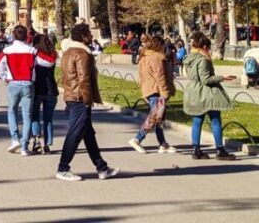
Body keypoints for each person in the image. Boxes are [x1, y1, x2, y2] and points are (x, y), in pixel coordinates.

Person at [55, 23, 119, 181]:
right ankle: (63, 168)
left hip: (72, 96)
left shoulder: (68, 52)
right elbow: (84, 79)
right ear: (83, 36)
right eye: (89, 34)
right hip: (80, 98)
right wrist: (88, 101)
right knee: (75, 134)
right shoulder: (83, 54)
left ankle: (102, 168)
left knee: (88, 134)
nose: (91, 36)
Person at [183, 32, 237, 160]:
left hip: (194, 92)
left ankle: (196, 149)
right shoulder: (203, 60)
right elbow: (206, 79)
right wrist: (222, 77)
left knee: (197, 121)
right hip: (206, 94)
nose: (210, 50)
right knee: (216, 121)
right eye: (209, 47)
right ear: (205, 47)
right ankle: (220, 150)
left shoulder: (190, 59)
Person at [127, 35, 176, 154]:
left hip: (149, 90)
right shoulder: (156, 58)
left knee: (159, 118)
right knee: (154, 118)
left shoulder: (144, 57)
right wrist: (164, 92)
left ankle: (162, 144)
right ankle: (137, 139)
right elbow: (160, 76)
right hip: (156, 91)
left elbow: (141, 77)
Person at [0, 25, 37, 154]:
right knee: (27, 115)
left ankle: (15, 139)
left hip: (13, 83)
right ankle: (25, 147)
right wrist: (32, 79)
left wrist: (6, 78)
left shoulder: (7, 51)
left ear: (13, 35)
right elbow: (36, 68)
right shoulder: (32, 50)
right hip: (28, 83)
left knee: (12, 111)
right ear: (26, 36)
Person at [30, 34, 58, 154]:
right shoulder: (53, 54)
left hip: (37, 89)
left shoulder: (35, 55)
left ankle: (36, 140)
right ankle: (47, 144)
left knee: (34, 115)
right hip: (51, 89)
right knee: (48, 119)